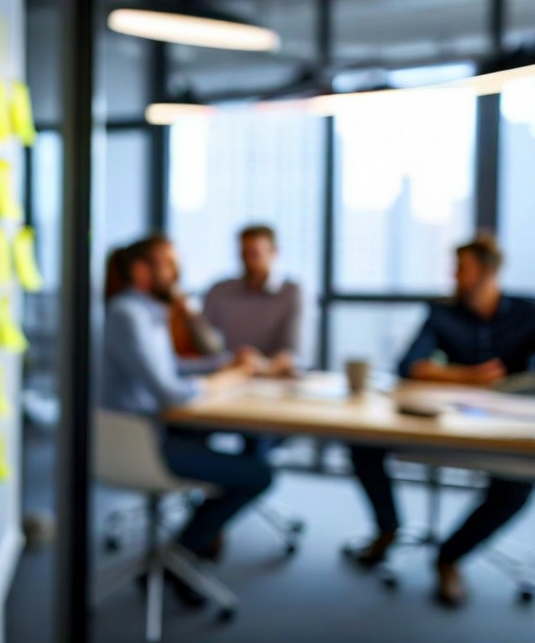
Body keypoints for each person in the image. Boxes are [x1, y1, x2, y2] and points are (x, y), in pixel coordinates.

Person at [348, 235, 535, 607]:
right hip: (443, 420)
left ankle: (451, 556)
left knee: (520, 479)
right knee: (362, 442)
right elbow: (408, 366)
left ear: (487, 272)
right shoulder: (442, 313)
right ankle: (387, 529)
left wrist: (456, 376)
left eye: (461, 269)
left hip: (506, 426)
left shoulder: (527, 313)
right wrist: (470, 377)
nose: (454, 277)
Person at [102, 234, 271, 599]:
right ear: (141, 271)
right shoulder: (128, 314)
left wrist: (224, 362)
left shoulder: (146, 312)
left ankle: (190, 547)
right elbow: (171, 391)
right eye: (169, 265)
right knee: (259, 473)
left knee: (228, 444)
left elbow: (172, 367)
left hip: (153, 430)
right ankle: (180, 553)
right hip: (143, 445)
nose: (178, 274)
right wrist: (229, 378)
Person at [203, 224, 302, 377]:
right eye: (244, 254)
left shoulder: (292, 293)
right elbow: (207, 345)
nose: (249, 261)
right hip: (230, 375)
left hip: (273, 377)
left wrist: (261, 365)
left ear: (274, 253)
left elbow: (293, 351)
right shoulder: (219, 292)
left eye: (255, 254)